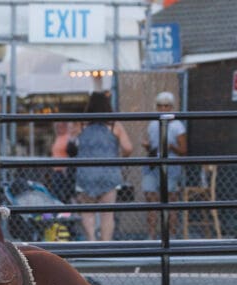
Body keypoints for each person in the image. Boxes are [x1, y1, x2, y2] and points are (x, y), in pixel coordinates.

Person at [71, 91, 132, 242]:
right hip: (109, 171)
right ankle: (106, 245)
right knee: (107, 214)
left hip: (86, 172)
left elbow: (72, 144)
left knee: (87, 211)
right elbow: (128, 148)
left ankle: (91, 241)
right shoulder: (114, 125)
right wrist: (119, 157)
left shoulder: (81, 124)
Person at [141, 91, 187, 239]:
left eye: (166, 106)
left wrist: (171, 146)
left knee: (170, 201)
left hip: (171, 167)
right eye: (160, 106)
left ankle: (171, 236)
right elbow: (151, 144)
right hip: (153, 164)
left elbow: (183, 150)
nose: (163, 109)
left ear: (171, 107)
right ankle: (151, 235)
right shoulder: (153, 124)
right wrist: (147, 145)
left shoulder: (178, 126)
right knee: (151, 200)